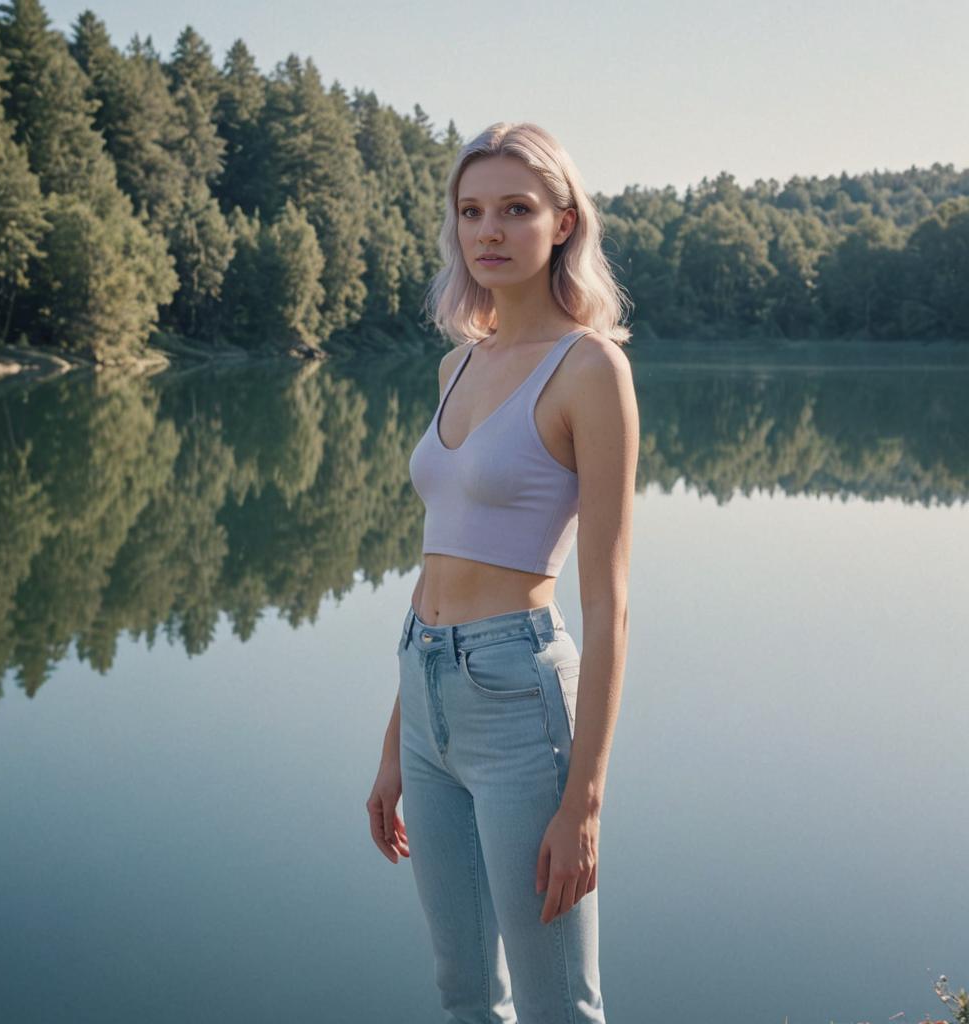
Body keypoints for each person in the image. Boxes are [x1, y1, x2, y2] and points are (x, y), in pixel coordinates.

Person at [366, 121, 639, 1023]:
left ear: (562, 222)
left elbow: (608, 599)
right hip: (427, 683)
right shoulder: (458, 363)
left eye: (515, 210)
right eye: (471, 210)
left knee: (560, 1005)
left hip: (520, 698)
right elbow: (433, 565)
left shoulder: (589, 368)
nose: (488, 230)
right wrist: (395, 749)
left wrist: (584, 803)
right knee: (466, 996)